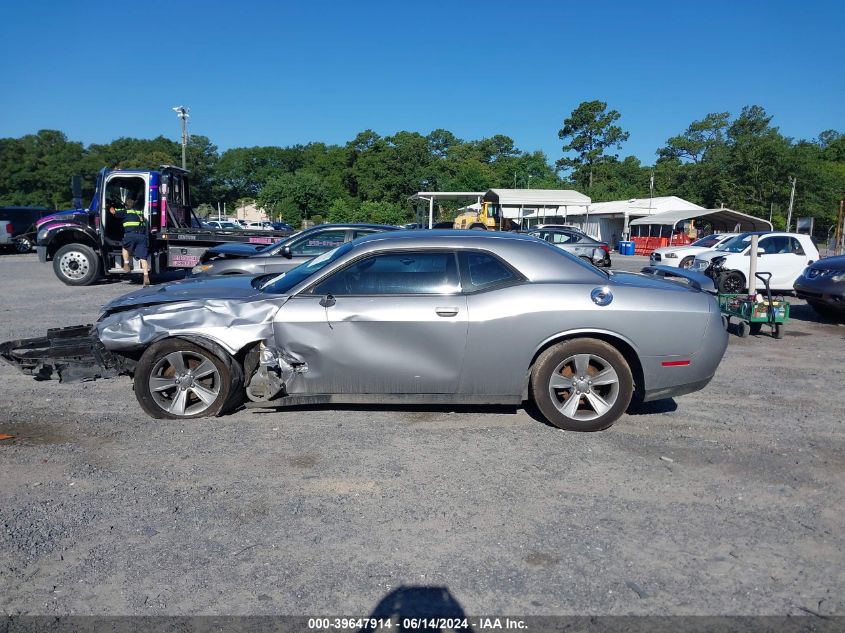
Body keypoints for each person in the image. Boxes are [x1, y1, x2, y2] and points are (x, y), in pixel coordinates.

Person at [109, 199, 150, 286]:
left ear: (126, 206)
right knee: (143, 258)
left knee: (125, 247)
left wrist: (110, 206)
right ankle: (146, 276)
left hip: (130, 236)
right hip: (141, 236)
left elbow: (113, 212)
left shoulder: (124, 212)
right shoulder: (139, 212)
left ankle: (126, 265)